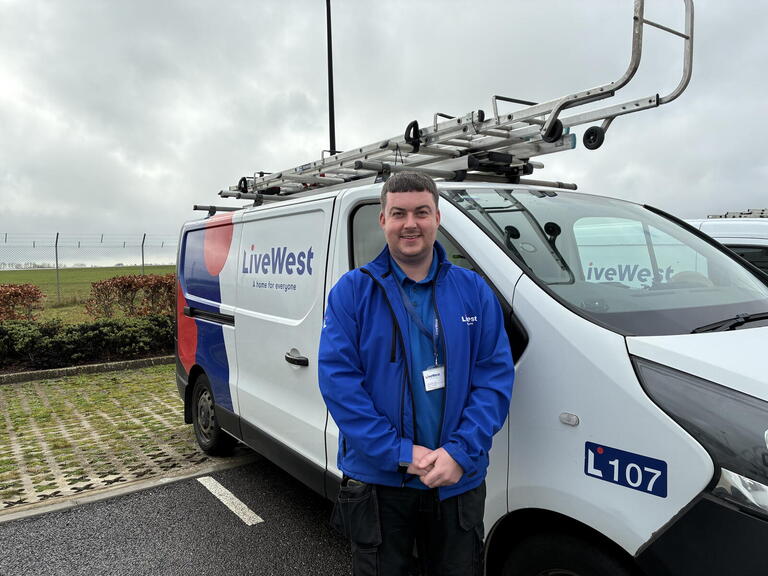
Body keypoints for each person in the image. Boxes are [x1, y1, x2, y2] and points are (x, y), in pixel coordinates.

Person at [318, 172, 515, 576]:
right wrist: (399, 453)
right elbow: (340, 385)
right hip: (379, 484)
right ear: (383, 221)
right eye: (399, 213)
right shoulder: (352, 292)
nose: (411, 223)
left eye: (421, 212)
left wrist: (460, 452)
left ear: (438, 218)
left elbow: (494, 379)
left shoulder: (474, 291)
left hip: (456, 482)